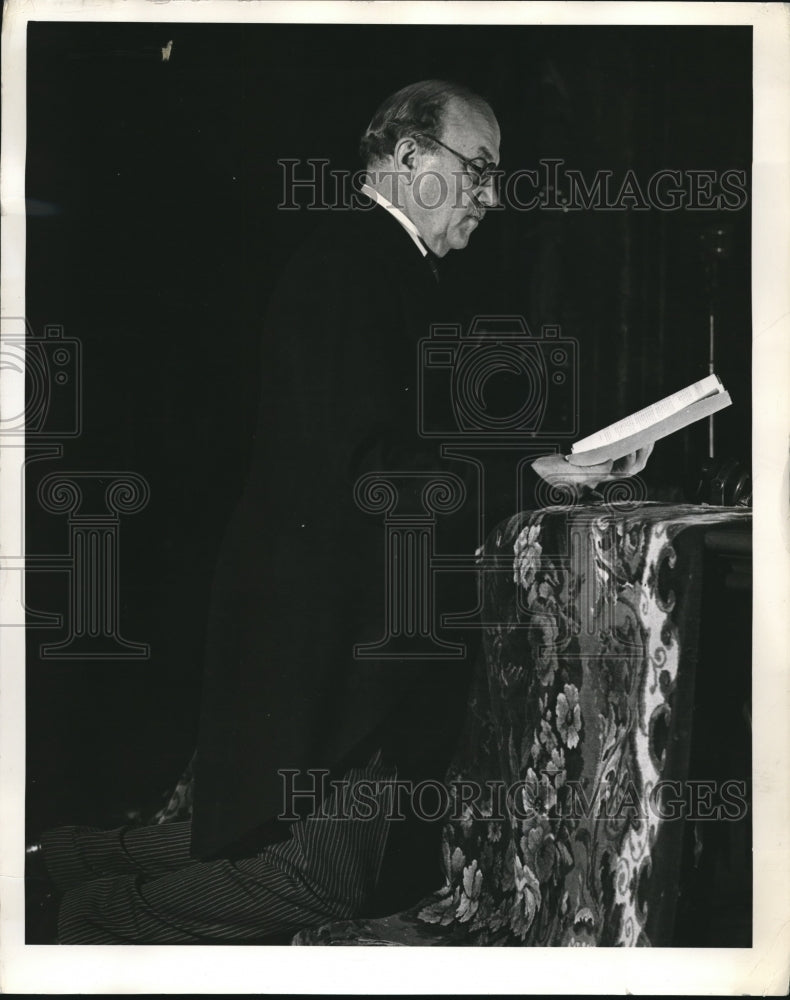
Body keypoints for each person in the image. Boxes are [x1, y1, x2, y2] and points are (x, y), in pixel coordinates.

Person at [27, 80, 650, 944]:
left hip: (333, 626)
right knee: (313, 886)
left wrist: (550, 464)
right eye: (478, 169)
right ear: (406, 157)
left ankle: (57, 863)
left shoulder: (377, 264)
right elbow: (373, 478)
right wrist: (534, 476)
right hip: (327, 634)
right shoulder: (354, 268)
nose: (493, 195)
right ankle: (82, 918)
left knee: (263, 847)